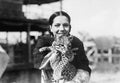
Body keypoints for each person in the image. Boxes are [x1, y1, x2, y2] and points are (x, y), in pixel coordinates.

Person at [33, 11, 91, 83]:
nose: (62, 29)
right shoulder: (44, 41)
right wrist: (55, 54)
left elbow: (84, 66)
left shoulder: (76, 42)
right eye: (57, 25)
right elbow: (38, 62)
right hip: (49, 78)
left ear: (70, 27)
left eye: (65, 25)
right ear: (51, 28)